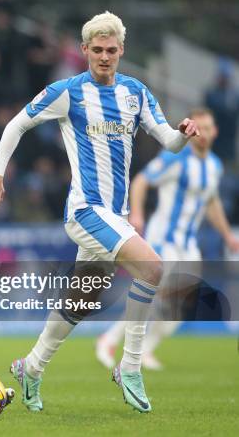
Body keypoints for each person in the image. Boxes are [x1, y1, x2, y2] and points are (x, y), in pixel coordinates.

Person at [0, 11, 199, 413]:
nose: (103, 56)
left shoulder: (135, 92)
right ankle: (130, 367)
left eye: (111, 50)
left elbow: (167, 139)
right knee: (151, 268)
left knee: (82, 298)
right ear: (83, 51)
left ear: (121, 51)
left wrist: (183, 135)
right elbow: (15, 124)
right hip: (85, 210)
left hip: (115, 214)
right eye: (96, 50)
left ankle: (30, 367)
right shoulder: (67, 91)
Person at [96, 108, 239, 371]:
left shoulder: (214, 166)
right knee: (154, 295)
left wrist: (227, 234)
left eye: (208, 128)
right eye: (200, 128)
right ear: (193, 131)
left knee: (182, 306)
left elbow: (211, 202)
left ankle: (143, 351)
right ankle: (109, 339)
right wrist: (136, 214)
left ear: (215, 131)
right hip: (164, 239)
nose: (204, 134)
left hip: (188, 246)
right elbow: (140, 181)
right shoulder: (176, 159)